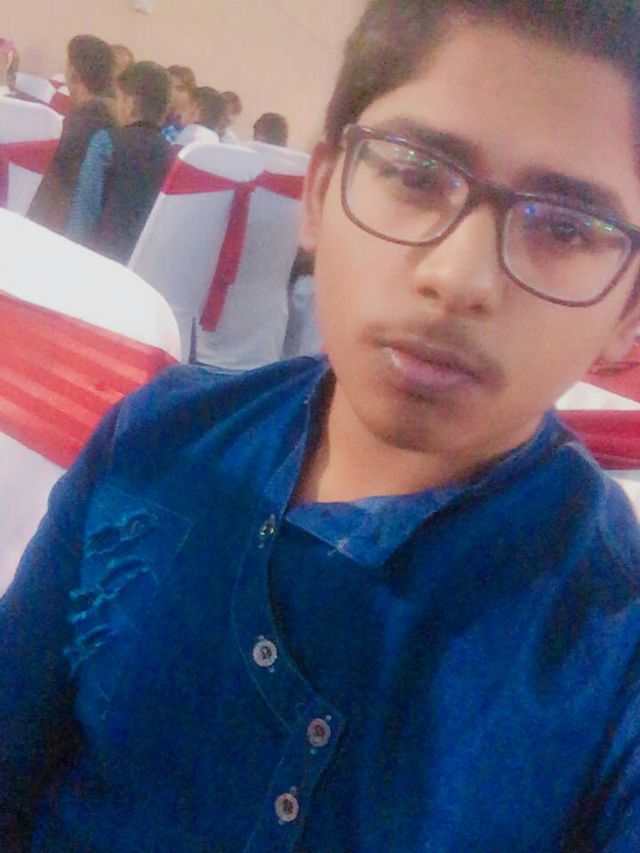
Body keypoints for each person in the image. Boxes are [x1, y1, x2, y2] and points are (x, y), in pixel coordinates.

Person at [4, 0, 640, 848]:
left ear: (630, 310)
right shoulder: (157, 440)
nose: (459, 278)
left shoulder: (611, 641)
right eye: (415, 174)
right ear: (317, 193)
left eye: (565, 227)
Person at [66, 61, 173, 264]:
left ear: (130, 104)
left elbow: (83, 214)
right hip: (139, 264)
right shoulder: (172, 154)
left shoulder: (105, 142)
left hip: (99, 259)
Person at [27, 34, 116, 233]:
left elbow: (53, 180)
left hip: (57, 226)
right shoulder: (112, 117)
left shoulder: (85, 121)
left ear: (74, 72)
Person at [161, 64, 197, 143]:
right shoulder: (157, 118)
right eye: (169, 87)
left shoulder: (195, 122)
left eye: (180, 88)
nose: (173, 92)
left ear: (190, 93)